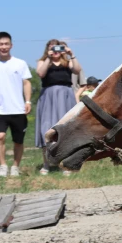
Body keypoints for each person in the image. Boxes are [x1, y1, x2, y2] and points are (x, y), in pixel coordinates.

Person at [0, 32, 32, 178]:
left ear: (11, 45)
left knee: (18, 141)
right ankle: (3, 166)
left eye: (6, 44)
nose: (3, 47)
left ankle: (15, 167)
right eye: (0, 44)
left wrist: (28, 101)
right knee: (0, 136)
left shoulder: (20, 63)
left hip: (18, 108)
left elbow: (26, 82)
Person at [36, 39, 82, 175]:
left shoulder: (67, 62)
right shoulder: (43, 61)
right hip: (48, 97)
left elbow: (77, 70)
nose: (56, 51)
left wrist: (71, 54)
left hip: (66, 95)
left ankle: (66, 163)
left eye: (58, 48)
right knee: (46, 129)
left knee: (66, 130)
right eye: (52, 48)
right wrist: (48, 59)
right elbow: (40, 73)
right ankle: (46, 163)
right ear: (48, 49)